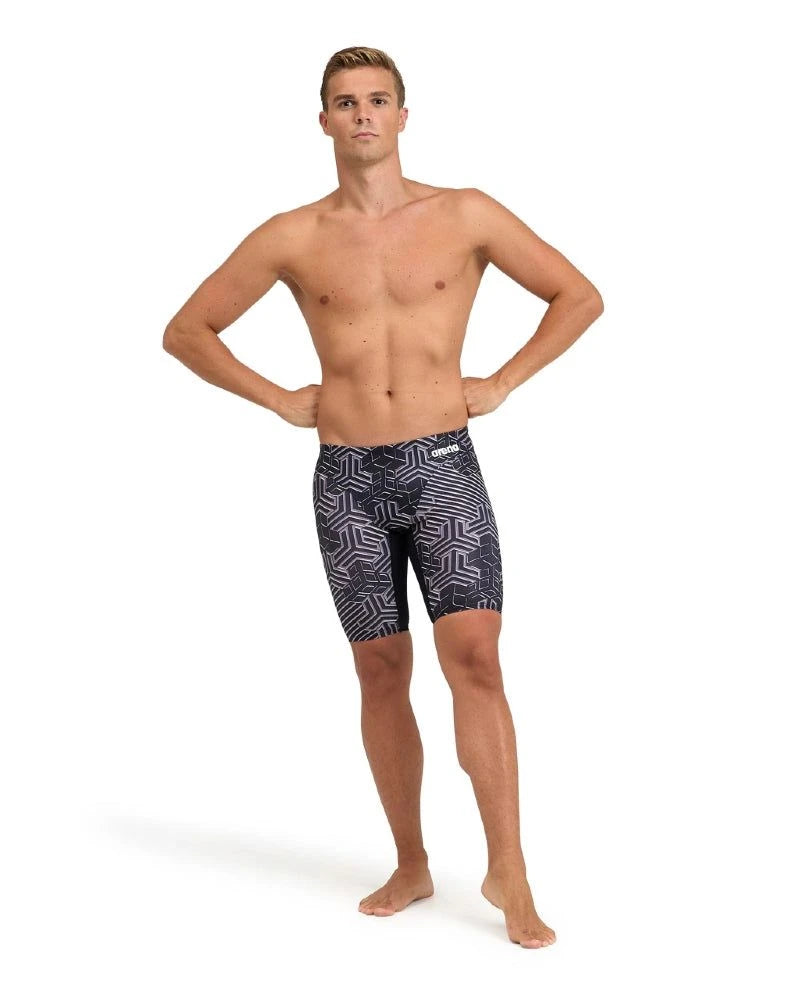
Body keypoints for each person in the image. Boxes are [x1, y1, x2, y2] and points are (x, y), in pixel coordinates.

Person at [163, 45, 603, 949]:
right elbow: (187, 330)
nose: (362, 114)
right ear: (323, 121)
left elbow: (578, 296)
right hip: (348, 480)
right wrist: (278, 398)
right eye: (344, 102)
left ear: (404, 116)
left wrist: (503, 381)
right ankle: (411, 862)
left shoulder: (465, 213)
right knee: (380, 670)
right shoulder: (292, 235)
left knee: (475, 658)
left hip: (442, 465)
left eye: (376, 100)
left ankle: (510, 869)